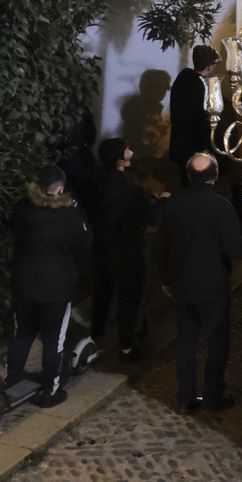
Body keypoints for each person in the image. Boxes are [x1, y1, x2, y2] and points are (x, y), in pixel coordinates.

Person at [157, 152, 242, 413]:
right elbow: (235, 249)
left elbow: (162, 244)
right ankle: (212, 393)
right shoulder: (220, 206)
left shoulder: (173, 204)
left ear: (189, 175)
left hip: (182, 285)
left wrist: (165, 278)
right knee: (217, 341)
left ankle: (186, 397)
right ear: (215, 176)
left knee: (186, 341)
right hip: (213, 287)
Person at [6, 164, 92, 407]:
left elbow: (13, 230)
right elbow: (85, 246)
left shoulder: (24, 209)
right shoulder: (71, 217)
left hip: (24, 284)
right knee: (54, 340)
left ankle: (12, 381)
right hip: (56, 288)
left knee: (21, 334)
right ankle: (50, 391)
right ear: (61, 189)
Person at [88, 137, 155, 360]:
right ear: (119, 158)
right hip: (128, 249)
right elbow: (149, 214)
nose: (131, 152)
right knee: (129, 296)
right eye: (127, 150)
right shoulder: (130, 186)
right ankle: (127, 343)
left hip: (102, 247)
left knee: (102, 292)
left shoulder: (96, 181)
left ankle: (96, 330)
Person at [167, 46, 219, 177]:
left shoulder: (183, 78)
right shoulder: (200, 84)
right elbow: (201, 115)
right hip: (195, 141)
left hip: (180, 139)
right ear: (209, 66)